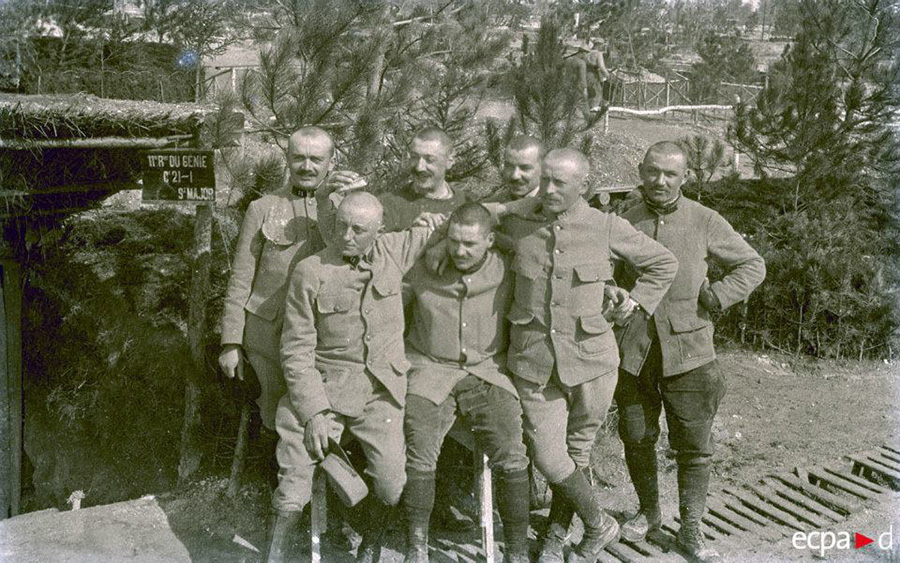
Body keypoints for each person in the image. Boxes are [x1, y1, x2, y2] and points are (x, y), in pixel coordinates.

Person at [501, 148, 678, 563]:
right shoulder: (519, 222)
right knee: (548, 455)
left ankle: (552, 538)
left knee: (577, 453)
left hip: (593, 364)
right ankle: (599, 523)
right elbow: (477, 220)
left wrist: (633, 302)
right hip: (533, 363)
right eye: (543, 180)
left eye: (559, 183)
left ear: (584, 186)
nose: (547, 189)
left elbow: (663, 263)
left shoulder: (605, 227)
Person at [266, 191, 446, 563]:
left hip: (381, 392)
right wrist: (314, 413)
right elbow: (296, 350)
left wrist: (441, 220)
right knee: (294, 480)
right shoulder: (309, 271)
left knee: (392, 483)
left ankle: (371, 544)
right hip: (325, 388)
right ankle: (275, 554)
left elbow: (466, 218)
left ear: (378, 231)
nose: (346, 236)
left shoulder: (394, 251)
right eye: (341, 226)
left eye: (359, 230)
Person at [614, 142, 766, 562]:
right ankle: (648, 514)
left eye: (670, 174)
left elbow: (753, 265)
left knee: (694, 445)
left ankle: (692, 527)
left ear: (685, 178)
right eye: (652, 172)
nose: (660, 182)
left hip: (692, 353)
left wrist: (717, 297)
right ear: (641, 170)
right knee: (637, 436)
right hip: (635, 352)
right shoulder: (623, 221)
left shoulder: (704, 220)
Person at [402, 203, 530, 563]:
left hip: (487, 372)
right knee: (420, 446)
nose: (460, 251)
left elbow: (528, 246)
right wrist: (435, 241)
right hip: (429, 371)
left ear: (489, 240)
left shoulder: (507, 267)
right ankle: (416, 547)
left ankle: (517, 550)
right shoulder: (425, 266)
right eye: (454, 241)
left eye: (470, 244)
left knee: (510, 449)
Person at [218, 127, 363, 432]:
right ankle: (275, 477)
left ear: (332, 162)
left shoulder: (347, 211)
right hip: (268, 338)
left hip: (325, 337)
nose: (306, 166)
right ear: (287, 158)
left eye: (316, 159)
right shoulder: (263, 209)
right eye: (298, 157)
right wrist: (230, 341)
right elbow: (241, 278)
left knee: (324, 414)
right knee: (273, 415)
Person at [379, 127, 469, 232]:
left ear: (450, 161)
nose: (419, 167)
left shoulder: (467, 204)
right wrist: (411, 235)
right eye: (414, 157)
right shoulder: (387, 206)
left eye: (429, 160)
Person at [565, 39, 610, 116]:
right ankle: (593, 109)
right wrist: (607, 74)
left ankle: (582, 109)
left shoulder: (588, 53)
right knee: (597, 91)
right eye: (602, 45)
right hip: (593, 75)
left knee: (587, 93)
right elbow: (601, 66)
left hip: (583, 74)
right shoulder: (598, 54)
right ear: (600, 45)